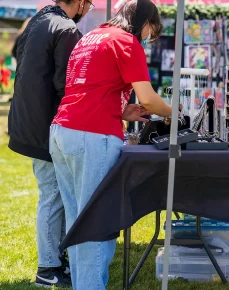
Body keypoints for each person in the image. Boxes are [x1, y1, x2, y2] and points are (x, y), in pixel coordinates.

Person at [49, 1, 171, 289]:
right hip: (92, 134)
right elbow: (150, 99)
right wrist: (175, 113)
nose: (149, 38)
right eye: (151, 32)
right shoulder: (127, 41)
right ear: (145, 21)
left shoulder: (91, 36)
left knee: (79, 222)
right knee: (97, 224)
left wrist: (121, 110)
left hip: (63, 130)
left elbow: (89, 86)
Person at [7, 0, 91, 287]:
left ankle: (56, 260)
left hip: (28, 122)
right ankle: (48, 267)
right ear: (80, 3)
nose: (89, 9)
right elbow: (68, 84)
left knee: (53, 194)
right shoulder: (65, 29)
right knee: (54, 195)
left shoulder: (37, 22)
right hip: (47, 125)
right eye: (90, 3)